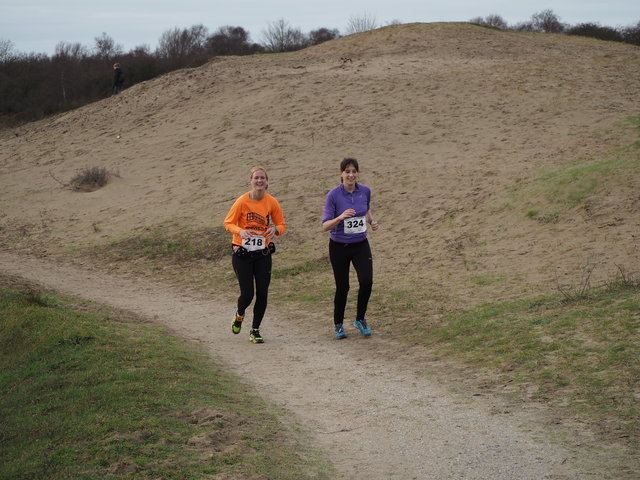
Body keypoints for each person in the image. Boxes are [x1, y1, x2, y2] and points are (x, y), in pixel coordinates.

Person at [223, 166, 286, 344]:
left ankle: (255, 330)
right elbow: (228, 222)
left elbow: (281, 224)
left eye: (262, 178)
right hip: (242, 253)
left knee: (263, 293)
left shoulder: (271, 202)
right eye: (256, 178)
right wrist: (240, 231)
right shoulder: (242, 201)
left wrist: (275, 229)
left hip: (262, 254)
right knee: (248, 294)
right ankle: (240, 313)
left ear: (267, 182)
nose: (259, 181)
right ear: (251, 181)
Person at [322, 157, 379, 339]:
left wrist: (371, 221)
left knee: (367, 281)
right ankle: (338, 324)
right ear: (341, 174)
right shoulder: (333, 195)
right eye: (347, 171)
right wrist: (340, 217)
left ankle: (360, 319)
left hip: (360, 244)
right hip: (339, 246)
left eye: (354, 171)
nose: (351, 175)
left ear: (358, 174)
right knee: (343, 287)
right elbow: (325, 226)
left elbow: (366, 209)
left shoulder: (365, 191)